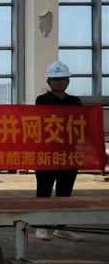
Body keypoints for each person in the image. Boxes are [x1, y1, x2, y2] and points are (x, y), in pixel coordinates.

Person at [34, 61, 83, 242]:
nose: (60, 82)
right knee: (44, 190)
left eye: (63, 78)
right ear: (49, 82)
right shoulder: (42, 100)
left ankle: (62, 227)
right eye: (56, 79)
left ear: (68, 81)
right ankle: (41, 226)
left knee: (65, 191)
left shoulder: (75, 101)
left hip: (69, 154)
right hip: (47, 153)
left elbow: (83, 126)